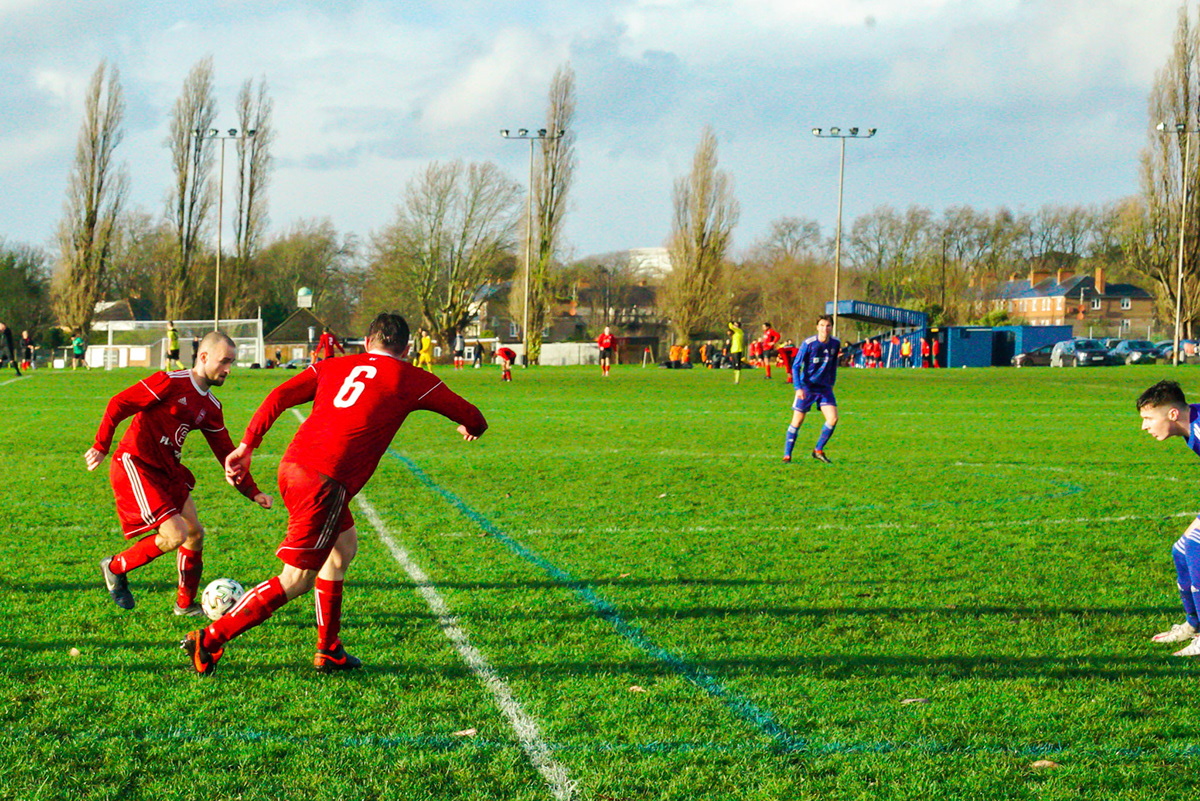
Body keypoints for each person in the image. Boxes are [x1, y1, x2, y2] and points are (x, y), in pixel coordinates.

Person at [182, 312, 487, 674]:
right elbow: (473, 415)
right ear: (405, 348)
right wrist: (471, 427)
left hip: (294, 466)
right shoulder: (413, 377)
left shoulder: (334, 365)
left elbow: (279, 395)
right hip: (324, 481)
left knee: (342, 551)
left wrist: (248, 445)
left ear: (368, 340)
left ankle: (329, 650)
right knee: (295, 579)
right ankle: (210, 638)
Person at [85, 331, 271, 614]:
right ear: (204, 357)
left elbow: (227, 455)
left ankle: (185, 605)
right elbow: (118, 403)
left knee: (195, 533)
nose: (228, 370)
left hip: (169, 471)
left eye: (232, 363)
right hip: (137, 464)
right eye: (224, 362)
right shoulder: (169, 382)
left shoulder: (211, 407)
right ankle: (114, 567)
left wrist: (252, 491)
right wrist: (101, 445)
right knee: (176, 534)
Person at [1136, 380, 1200, 656]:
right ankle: (1193, 625)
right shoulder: (1192, 423)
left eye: (1149, 418)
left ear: (1172, 414)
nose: (1144, 426)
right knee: (1181, 550)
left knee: (1196, 547)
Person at [784, 314, 840, 465]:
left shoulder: (835, 343)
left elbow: (834, 364)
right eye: (822, 325)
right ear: (817, 327)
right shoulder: (808, 343)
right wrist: (798, 388)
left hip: (824, 388)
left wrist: (832, 382)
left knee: (833, 419)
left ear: (831, 327)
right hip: (807, 387)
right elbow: (796, 366)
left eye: (828, 326)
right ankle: (787, 455)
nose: (824, 329)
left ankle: (818, 450)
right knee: (797, 421)